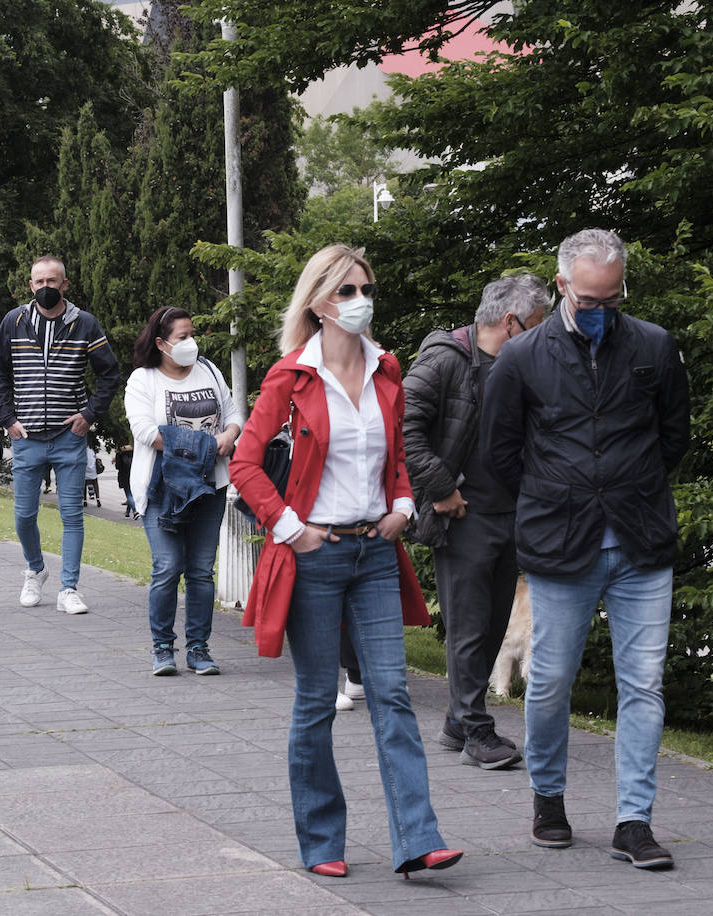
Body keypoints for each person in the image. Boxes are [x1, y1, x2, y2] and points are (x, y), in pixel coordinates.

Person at [229, 244, 461, 879]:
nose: (363, 301)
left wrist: (405, 505)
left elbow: (401, 454)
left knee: (391, 692)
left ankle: (419, 840)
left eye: (367, 288)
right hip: (316, 555)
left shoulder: (387, 370)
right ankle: (321, 841)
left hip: (376, 553)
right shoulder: (290, 377)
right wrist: (292, 531)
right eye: (349, 291)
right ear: (320, 304)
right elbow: (245, 464)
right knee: (314, 701)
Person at [482, 229, 689, 868]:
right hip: (560, 544)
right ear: (563, 284)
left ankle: (634, 821)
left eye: (614, 296)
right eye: (591, 297)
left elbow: (673, 437)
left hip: (640, 541)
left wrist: (626, 489)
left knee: (643, 687)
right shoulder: (520, 357)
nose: (603, 308)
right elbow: (501, 451)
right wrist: (559, 495)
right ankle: (549, 798)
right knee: (547, 682)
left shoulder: (653, 346)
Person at [402, 273, 550, 770]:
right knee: (467, 626)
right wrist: (441, 489)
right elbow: (403, 428)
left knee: (490, 628)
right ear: (511, 323)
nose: (542, 334)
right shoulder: (445, 359)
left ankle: (457, 722)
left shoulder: (522, 364)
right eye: (535, 324)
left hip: (510, 514)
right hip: (463, 516)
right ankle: (476, 731)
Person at [0, 256, 122, 615]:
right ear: (30, 285)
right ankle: (35, 570)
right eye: (39, 281)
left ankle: (69, 588)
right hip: (26, 435)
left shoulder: (85, 324)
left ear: (65, 284)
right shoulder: (13, 322)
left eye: (52, 281)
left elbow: (110, 373)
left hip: (68, 436)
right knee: (23, 515)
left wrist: (90, 415)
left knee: (72, 515)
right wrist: (7, 419)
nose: (46, 287)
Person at [125, 306, 242, 676]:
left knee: (201, 571)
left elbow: (234, 413)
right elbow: (147, 434)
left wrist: (229, 435)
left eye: (193, 334)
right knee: (167, 567)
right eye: (182, 337)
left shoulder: (209, 371)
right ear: (161, 343)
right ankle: (162, 648)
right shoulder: (143, 381)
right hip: (164, 488)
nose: (191, 342)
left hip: (209, 486)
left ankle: (198, 649)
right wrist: (207, 445)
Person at [114, 445, 135, 518]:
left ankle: (135, 511)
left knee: (129, 495)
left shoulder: (119, 453)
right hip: (133, 475)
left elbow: (117, 466)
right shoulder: (132, 451)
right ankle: (127, 512)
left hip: (124, 476)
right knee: (131, 494)